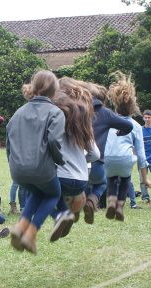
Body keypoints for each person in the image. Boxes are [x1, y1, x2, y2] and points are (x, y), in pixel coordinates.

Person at [6, 70, 65, 254]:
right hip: (41, 169)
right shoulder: (56, 113)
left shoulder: (18, 112)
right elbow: (55, 141)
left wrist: (14, 165)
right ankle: (31, 233)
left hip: (18, 171)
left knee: (37, 194)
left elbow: (8, 143)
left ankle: (21, 226)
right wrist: (59, 160)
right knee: (53, 194)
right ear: (54, 91)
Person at [49, 77, 100, 241]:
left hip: (60, 176)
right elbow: (95, 155)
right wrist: (80, 163)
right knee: (62, 195)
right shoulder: (84, 121)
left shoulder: (54, 117)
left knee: (36, 193)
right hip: (81, 180)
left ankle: (60, 216)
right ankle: (68, 213)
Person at [104, 72, 151, 221]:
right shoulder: (136, 126)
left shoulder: (108, 120)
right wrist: (145, 178)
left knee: (112, 179)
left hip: (108, 158)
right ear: (132, 106)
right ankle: (119, 206)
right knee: (126, 179)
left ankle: (110, 203)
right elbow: (141, 155)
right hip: (125, 158)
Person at [83, 83, 133, 224]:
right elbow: (128, 126)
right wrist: (120, 132)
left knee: (82, 184)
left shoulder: (78, 110)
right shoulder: (105, 113)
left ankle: (80, 204)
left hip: (78, 161)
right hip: (97, 162)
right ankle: (93, 200)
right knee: (103, 183)